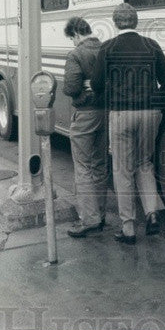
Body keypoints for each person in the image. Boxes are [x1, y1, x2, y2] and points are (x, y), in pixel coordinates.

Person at [91, 3, 165, 245]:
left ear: (116, 23)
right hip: (149, 113)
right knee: (144, 163)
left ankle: (128, 228)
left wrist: (110, 97)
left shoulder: (108, 47)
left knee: (122, 169)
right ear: (135, 22)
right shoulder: (152, 45)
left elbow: (96, 84)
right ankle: (152, 214)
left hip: (122, 114)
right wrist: (157, 106)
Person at [61, 16, 109, 238]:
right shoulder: (106, 49)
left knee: (82, 166)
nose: (73, 43)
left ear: (76, 34)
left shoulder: (76, 54)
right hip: (106, 112)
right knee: (100, 164)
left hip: (85, 113)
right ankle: (100, 214)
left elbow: (70, 87)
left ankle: (89, 220)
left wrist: (83, 91)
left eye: (72, 38)